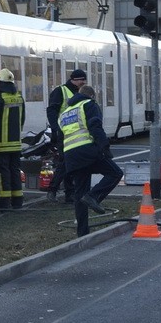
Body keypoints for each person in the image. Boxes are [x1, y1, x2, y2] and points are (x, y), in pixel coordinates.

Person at [61, 84, 124, 237]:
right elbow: (95, 126)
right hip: (87, 150)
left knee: (79, 194)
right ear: (92, 96)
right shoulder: (89, 104)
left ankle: (82, 232)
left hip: (71, 155)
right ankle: (94, 196)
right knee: (115, 173)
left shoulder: (66, 112)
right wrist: (105, 147)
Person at [44, 68, 87, 202]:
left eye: (84, 80)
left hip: (76, 133)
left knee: (70, 163)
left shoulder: (80, 92)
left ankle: (69, 193)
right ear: (74, 80)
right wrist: (55, 129)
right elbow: (52, 111)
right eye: (82, 80)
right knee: (65, 163)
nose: (84, 82)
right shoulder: (60, 91)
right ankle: (54, 190)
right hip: (64, 133)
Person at [0, 68, 25, 209]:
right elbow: (22, 119)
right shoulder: (19, 97)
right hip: (16, 144)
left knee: (1, 172)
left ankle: (4, 202)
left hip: (0, 144)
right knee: (15, 171)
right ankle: (17, 201)